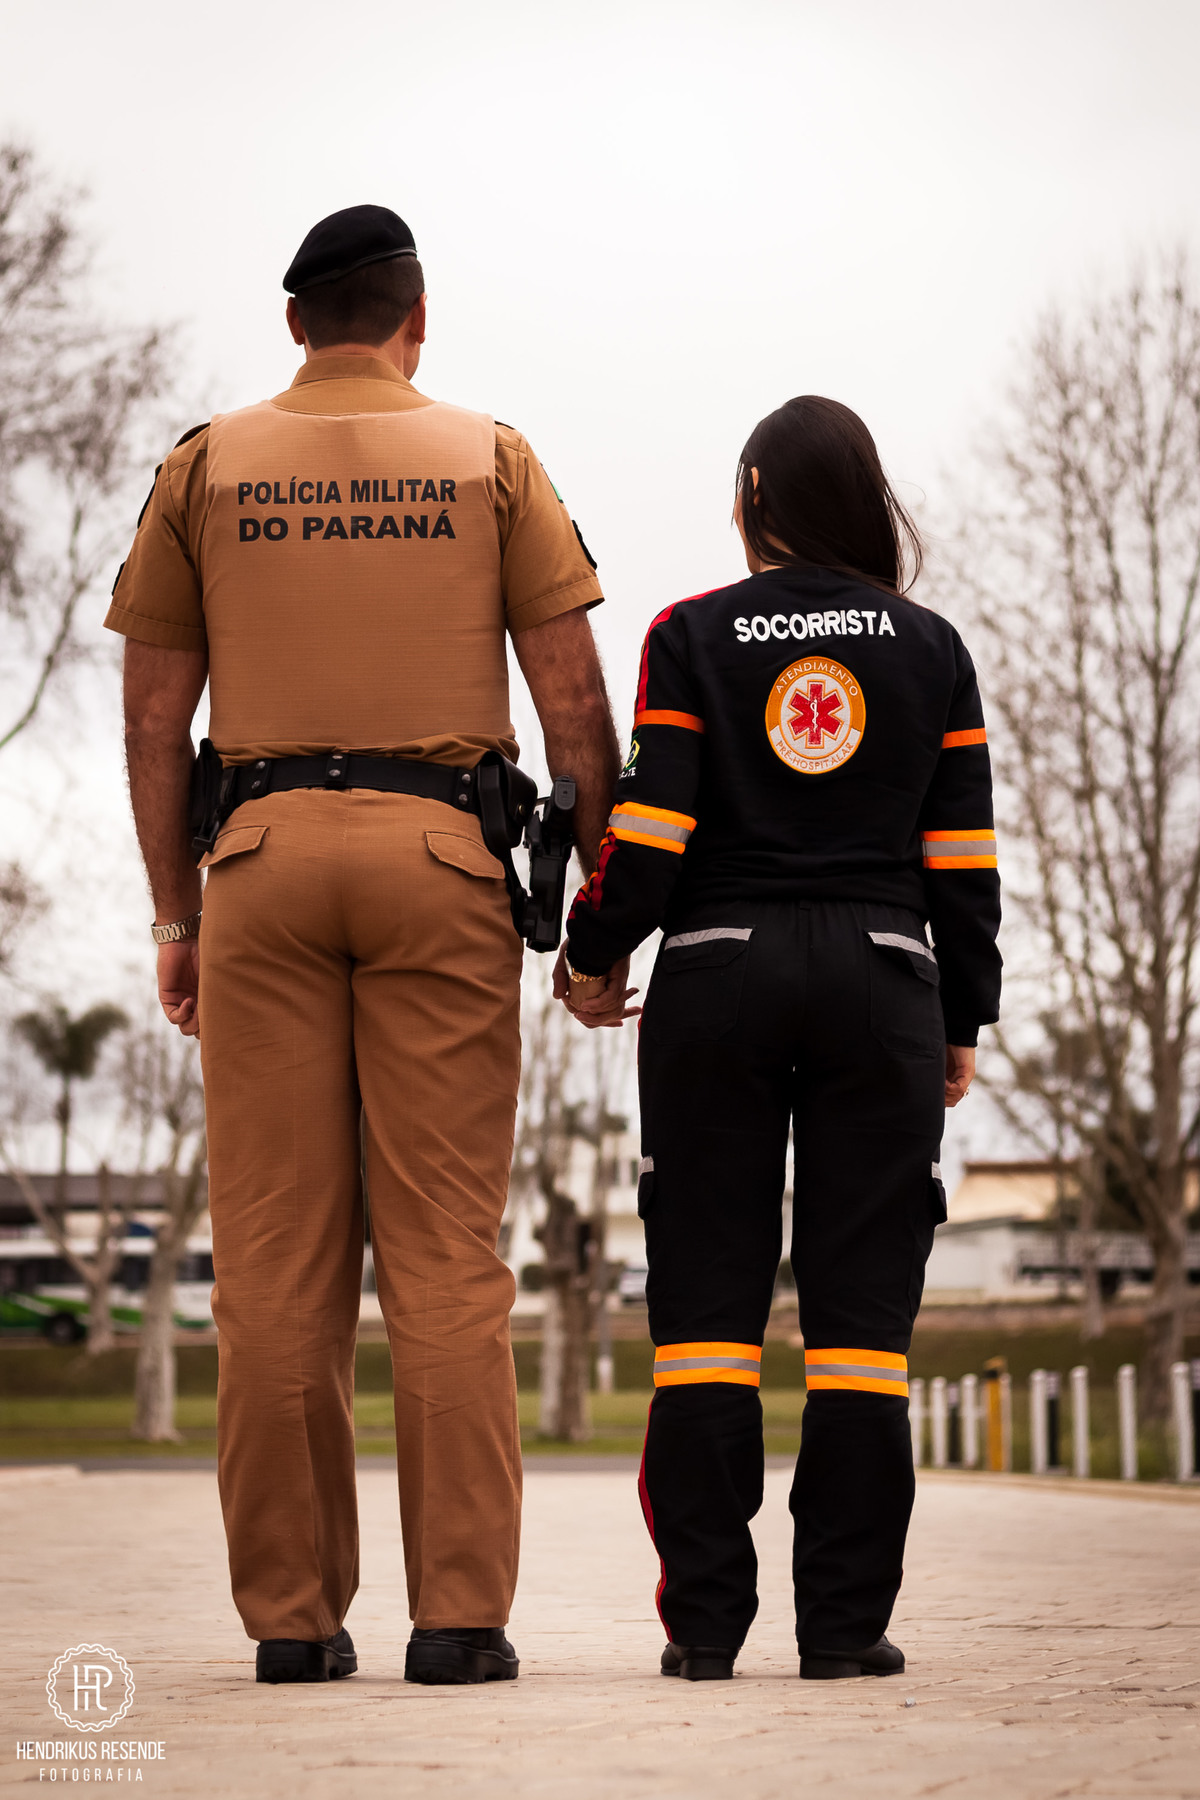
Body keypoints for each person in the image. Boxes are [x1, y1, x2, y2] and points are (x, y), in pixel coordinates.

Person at [108, 204, 620, 1686]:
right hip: (443, 865)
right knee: (449, 1259)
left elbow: (153, 722)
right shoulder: (494, 458)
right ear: (415, 320)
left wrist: (177, 914)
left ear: (294, 328)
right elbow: (576, 711)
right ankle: (459, 1619)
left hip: (261, 868)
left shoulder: (208, 466)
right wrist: (592, 918)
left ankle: (292, 1621)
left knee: (275, 1264)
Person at [557, 396, 1001, 1682]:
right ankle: (846, 1629)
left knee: (705, 1320)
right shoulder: (932, 649)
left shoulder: (691, 636)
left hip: (717, 981)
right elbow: (961, 861)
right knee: (862, 1332)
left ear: (753, 497)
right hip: (882, 982)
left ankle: (704, 1629)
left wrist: (594, 959)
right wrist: (959, 1015)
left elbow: (649, 840)